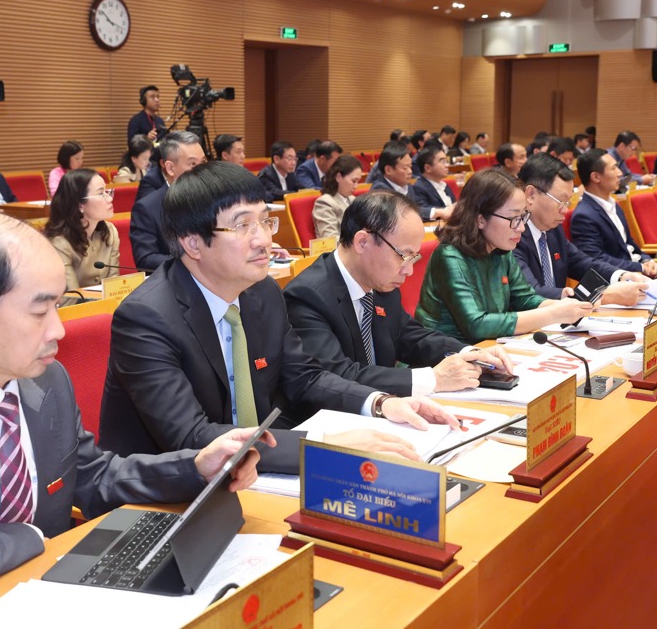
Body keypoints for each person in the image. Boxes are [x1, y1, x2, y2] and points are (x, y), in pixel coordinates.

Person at [0, 212, 269, 629]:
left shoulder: (45, 379)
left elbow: (91, 477)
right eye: (40, 312)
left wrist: (193, 467)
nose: (58, 330)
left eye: (58, 306)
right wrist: (26, 536)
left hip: (37, 595)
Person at [99, 161, 461, 474]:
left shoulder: (262, 293)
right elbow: (191, 437)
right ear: (193, 243)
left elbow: (304, 377)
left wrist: (382, 403)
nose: (264, 241)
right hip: (171, 495)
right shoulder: (146, 318)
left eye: (265, 222)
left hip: (257, 470)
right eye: (243, 226)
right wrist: (323, 444)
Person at [285, 190, 513, 396]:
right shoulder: (307, 297)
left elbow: (410, 336)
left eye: (414, 258)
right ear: (362, 242)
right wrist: (432, 379)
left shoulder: (381, 282)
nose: (410, 270)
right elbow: (336, 376)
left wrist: (470, 353)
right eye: (404, 256)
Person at [415, 168, 592, 343]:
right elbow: (476, 325)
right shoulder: (450, 256)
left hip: (488, 349)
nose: (521, 227)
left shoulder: (501, 249)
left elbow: (525, 299)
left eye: (523, 217)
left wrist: (564, 305)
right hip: (444, 357)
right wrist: (552, 314)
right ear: (480, 219)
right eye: (514, 218)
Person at [514, 153, 648, 305]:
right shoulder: (512, 235)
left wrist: (621, 276)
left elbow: (581, 262)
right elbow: (531, 293)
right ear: (530, 195)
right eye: (561, 201)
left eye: (568, 202)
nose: (565, 210)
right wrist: (604, 296)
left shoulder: (552, 230)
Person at [570, 149, 657, 280]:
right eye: (614, 169)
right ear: (596, 177)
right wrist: (640, 268)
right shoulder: (584, 215)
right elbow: (596, 259)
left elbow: (630, 244)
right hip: (623, 278)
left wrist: (647, 261)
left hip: (639, 270)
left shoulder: (613, 204)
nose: (620, 173)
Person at [130, 131, 205, 271]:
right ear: (170, 168)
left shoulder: (214, 198)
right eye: (193, 164)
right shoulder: (147, 208)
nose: (201, 170)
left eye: (203, 162)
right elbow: (146, 259)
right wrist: (194, 261)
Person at [43, 168, 119, 290]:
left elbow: (114, 288)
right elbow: (71, 298)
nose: (110, 198)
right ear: (80, 205)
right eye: (101, 193)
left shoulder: (110, 232)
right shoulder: (59, 243)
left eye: (108, 191)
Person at [312, 154, 362, 239]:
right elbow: (329, 238)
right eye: (353, 181)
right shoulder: (325, 202)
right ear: (338, 177)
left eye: (358, 181)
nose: (356, 186)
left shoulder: (353, 200)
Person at [411, 144, 456, 221]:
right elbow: (420, 212)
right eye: (443, 162)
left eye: (446, 161)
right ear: (428, 168)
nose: (447, 165)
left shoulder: (444, 184)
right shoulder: (419, 187)